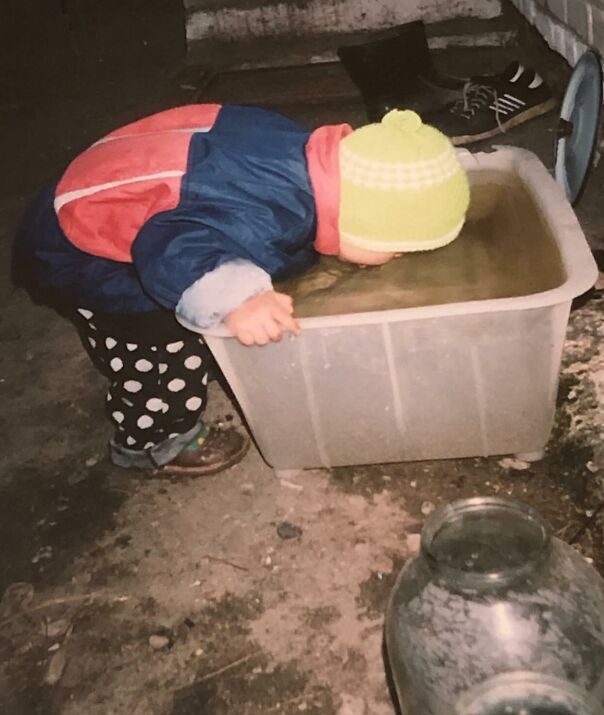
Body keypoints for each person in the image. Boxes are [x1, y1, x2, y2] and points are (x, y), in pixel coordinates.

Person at [14, 104, 470, 476]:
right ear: (363, 221)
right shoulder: (263, 215)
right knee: (158, 343)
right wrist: (237, 301)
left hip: (117, 189)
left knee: (225, 271)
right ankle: (153, 440)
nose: (399, 258)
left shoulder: (298, 161)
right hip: (86, 253)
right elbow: (177, 246)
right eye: (396, 249)